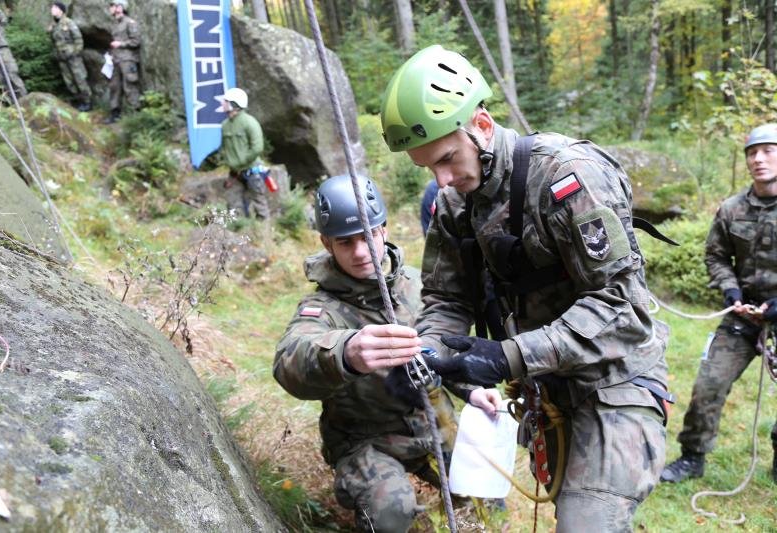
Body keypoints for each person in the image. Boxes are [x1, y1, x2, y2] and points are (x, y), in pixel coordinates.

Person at [378, 45, 671, 532]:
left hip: (615, 383)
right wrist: (425, 353)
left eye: (448, 159)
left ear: (483, 126)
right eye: (427, 169)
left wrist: (506, 356)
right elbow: (447, 300)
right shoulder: (457, 204)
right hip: (547, 386)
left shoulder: (568, 177)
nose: (443, 179)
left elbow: (622, 307)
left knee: (587, 523)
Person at [273, 174, 500, 533]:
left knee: (488, 492)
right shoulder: (323, 308)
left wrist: (472, 389)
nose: (361, 252)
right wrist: (346, 353)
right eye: (346, 243)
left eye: (367, 236)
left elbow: (444, 347)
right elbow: (290, 361)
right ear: (326, 243)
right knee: (392, 510)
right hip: (367, 440)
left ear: (383, 229)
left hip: (434, 424)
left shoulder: (418, 284)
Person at [660, 124, 777, 484]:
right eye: (752, 153)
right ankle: (692, 457)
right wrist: (731, 293)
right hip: (743, 317)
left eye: (768, 150)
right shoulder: (732, 209)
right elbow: (716, 256)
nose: (758, 159)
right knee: (708, 383)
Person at [219, 87, 270, 219]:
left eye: (226, 101)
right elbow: (225, 147)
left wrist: (241, 161)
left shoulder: (250, 122)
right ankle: (238, 232)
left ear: (234, 104)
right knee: (233, 205)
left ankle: (264, 234)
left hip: (252, 171)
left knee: (260, 205)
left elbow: (257, 147)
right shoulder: (225, 124)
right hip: (234, 173)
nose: (222, 103)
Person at [49, 1, 91, 112]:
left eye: (54, 7)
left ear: (60, 10)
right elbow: (54, 42)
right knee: (69, 81)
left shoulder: (68, 23)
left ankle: (87, 102)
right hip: (62, 58)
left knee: (80, 79)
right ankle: (79, 101)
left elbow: (78, 39)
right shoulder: (54, 25)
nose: (52, 9)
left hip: (73, 57)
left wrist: (75, 52)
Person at [105, 0, 140, 123]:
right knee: (114, 86)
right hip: (115, 60)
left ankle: (135, 115)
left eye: (112, 6)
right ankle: (115, 113)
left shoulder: (130, 23)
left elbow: (136, 41)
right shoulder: (114, 24)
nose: (110, 8)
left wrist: (121, 43)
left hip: (128, 60)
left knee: (130, 86)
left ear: (120, 7)